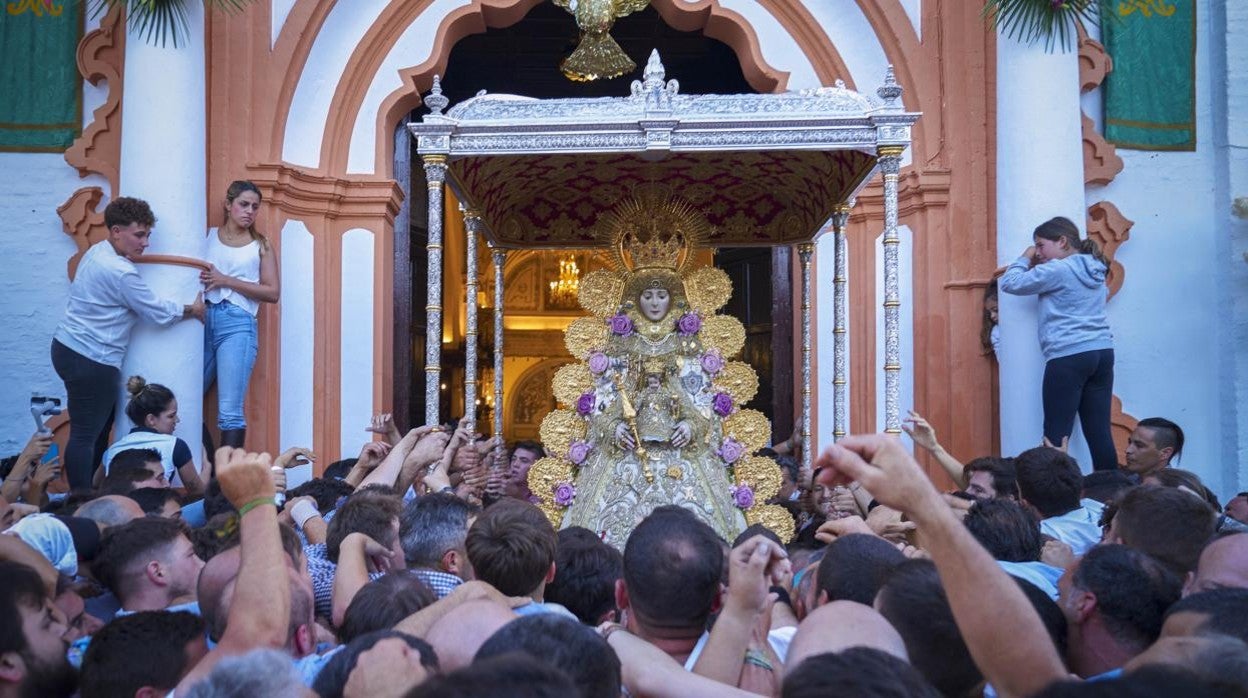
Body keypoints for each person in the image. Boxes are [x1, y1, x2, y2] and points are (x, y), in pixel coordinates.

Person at [51, 196, 204, 491]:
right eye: (139, 235)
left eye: (147, 235)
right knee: (86, 434)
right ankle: (81, 501)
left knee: (96, 431)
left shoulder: (97, 252)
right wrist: (191, 309)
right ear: (116, 231)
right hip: (91, 359)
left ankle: (90, 495)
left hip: (70, 349)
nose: (145, 243)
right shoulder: (120, 272)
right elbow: (156, 312)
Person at [999, 216, 1116, 471]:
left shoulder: (1058, 269)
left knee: (1056, 433)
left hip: (1069, 353)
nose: (1038, 252)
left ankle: (1051, 491)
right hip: (1102, 351)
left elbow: (1010, 283)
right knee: (1098, 430)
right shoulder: (1095, 268)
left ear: (1062, 241)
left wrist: (1023, 258)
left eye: (1040, 245)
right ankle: (1110, 493)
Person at [202, 180, 280, 449]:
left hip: (237, 323)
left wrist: (226, 280)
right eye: (243, 204)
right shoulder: (207, 236)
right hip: (202, 320)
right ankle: (208, 466)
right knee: (185, 400)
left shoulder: (261, 244)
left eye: (255, 207)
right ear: (228, 204)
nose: (249, 211)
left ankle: (226, 485)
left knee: (229, 410)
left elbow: (272, 292)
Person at [101, 376, 208, 496]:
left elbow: (96, 482)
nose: (177, 420)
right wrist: (207, 469)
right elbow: (197, 491)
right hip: (155, 510)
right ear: (151, 419)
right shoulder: (175, 445)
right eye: (171, 416)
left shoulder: (113, 449)